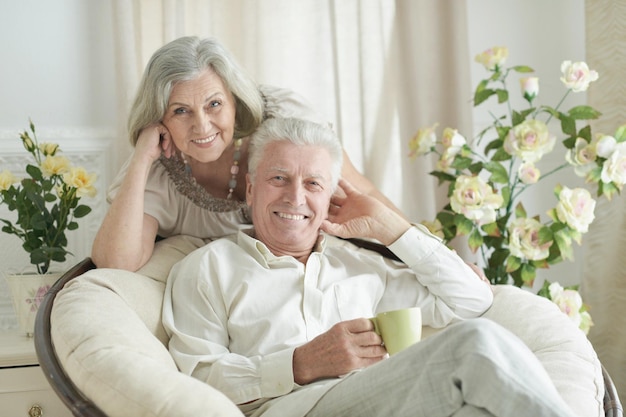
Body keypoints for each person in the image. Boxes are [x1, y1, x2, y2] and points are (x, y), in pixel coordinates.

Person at [162, 117, 576, 417]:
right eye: (278, 179)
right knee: (474, 344)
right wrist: (300, 363)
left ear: (330, 198)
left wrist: (392, 228)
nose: (295, 197)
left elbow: (473, 300)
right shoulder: (208, 268)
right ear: (251, 188)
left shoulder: (360, 265)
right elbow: (197, 379)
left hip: (380, 403)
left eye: (313, 184)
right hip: (288, 410)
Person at [91, 35, 399, 271]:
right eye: (181, 110)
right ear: (160, 118)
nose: (202, 126)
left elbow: (361, 193)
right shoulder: (160, 172)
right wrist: (142, 156)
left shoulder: (285, 119)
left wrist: (423, 249)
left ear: (234, 99)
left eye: (214, 104)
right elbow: (115, 263)